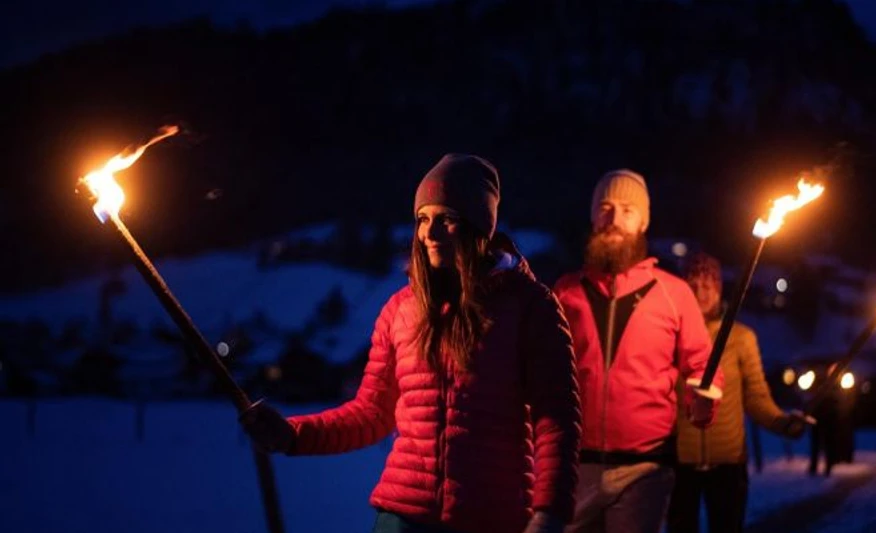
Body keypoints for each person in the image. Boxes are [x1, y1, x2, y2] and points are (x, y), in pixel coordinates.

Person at [240, 153, 582, 533]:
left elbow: (557, 421)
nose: (429, 233)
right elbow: (371, 412)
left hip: (490, 518)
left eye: (446, 219)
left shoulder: (529, 307)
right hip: (402, 518)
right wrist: (292, 435)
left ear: (477, 228)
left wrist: (549, 514)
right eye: (423, 219)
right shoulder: (400, 311)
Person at [552, 169, 724, 533]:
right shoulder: (566, 292)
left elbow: (702, 360)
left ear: (643, 222)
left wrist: (705, 392)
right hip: (573, 466)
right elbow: (542, 368)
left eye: (628, 210)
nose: (614, 219)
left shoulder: (672, 292)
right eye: (606, 207)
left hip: (644, 468)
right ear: (594, 215)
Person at [666, 253, 807, 533]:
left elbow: (756, 396)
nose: (700, 293)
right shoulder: (670, 335)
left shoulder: (741, 338)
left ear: (718, 288)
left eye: (707, 285)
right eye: (692, 286)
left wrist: (781, 422)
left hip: (728, 463)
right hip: (679, 463)